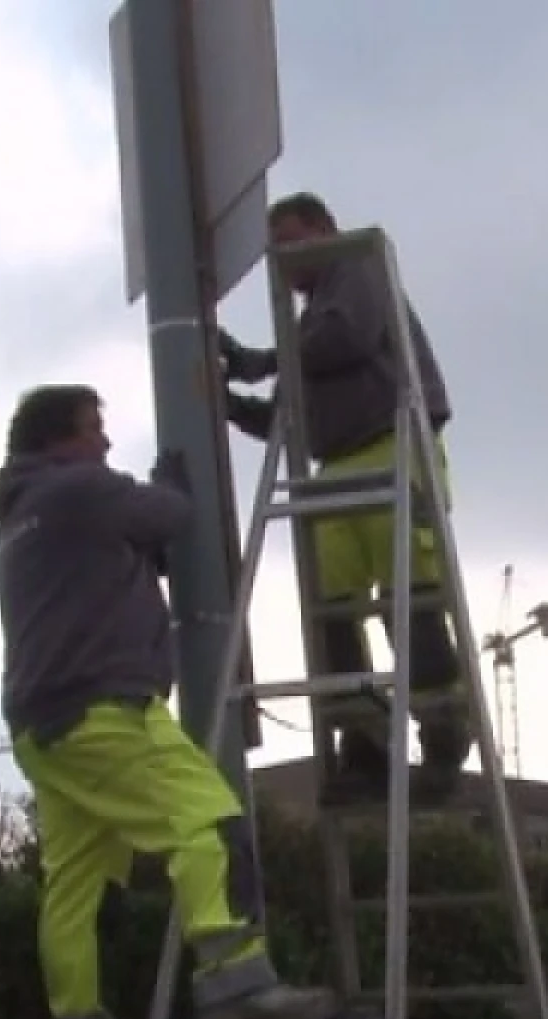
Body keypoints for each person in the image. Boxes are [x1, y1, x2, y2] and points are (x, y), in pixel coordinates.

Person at [0, 385, 332, 1019]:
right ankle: (234, 976)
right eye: (94, 430)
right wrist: (171, 481)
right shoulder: (80, 488)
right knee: (207, 814)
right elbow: (170, 515)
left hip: (40, 726)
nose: (106, 444)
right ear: (58, 442)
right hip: (105, 708)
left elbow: (123, 553)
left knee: (75, 888)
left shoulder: (18, 517)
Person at [214, 191, 471, 806]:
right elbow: (286, 413)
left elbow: (347, 340)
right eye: (277, 253)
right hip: (335, 464)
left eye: (295, 243)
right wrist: (228, 400)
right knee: (330, 609)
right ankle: (365, 745)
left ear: (325, 229)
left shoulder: (358, 267)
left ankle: (442, 737)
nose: (289, 262)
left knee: (410, 599)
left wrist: (260, 360)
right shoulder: (309, 320)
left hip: (394, 443)